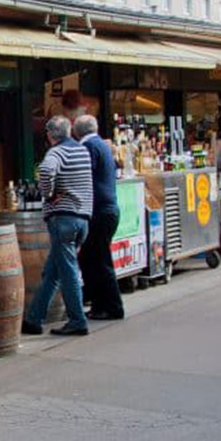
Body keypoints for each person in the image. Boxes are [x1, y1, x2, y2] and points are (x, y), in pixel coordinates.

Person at [21, 116, 93, 337]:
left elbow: (45, 172)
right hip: (83, 218)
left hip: (63, 218)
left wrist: (48, 193)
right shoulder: (82, 150)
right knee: (52, 271)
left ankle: (77, 320)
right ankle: (33, 319)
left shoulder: (55, 152)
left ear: (51, 134)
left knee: (68, 270)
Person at [73, 115, 125, 321]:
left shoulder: (88, 148)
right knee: (92, 258)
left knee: (99, 260)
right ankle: (99, 304)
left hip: (99, 212)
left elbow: (84, 178)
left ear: (76, 132)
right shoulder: (102, 145)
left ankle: (112, 307)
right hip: (108, 210)